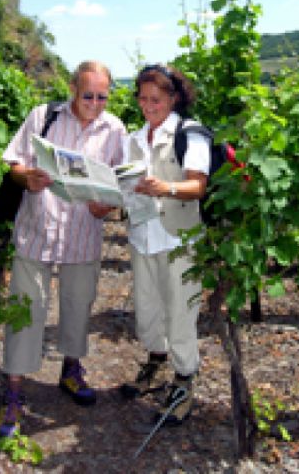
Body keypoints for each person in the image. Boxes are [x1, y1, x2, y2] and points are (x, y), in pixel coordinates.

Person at [0, 60, 126, 436]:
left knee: (78, 306)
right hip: (36, 230)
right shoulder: (44, 116)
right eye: (88, 95)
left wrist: (109, 205)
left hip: (82, 235)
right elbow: (13, 163)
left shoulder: (114, 129)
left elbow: (120, 183)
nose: (95, 103)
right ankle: (14, 390)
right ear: (73, 87)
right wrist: (29, 177)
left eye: (102, 97)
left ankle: (71, 369)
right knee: (25, 310)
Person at [119, 63, 210, 425]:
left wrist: (166, 187)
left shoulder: (191, 134)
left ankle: (185, 379)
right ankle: (156, 363)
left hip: (178, 237)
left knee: (181, 312)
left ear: (173, 98)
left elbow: (197, 185)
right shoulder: (134, 138)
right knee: (148, 308)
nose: (148, 106)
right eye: (142, 99)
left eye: (155, 99)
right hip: (143, 235)